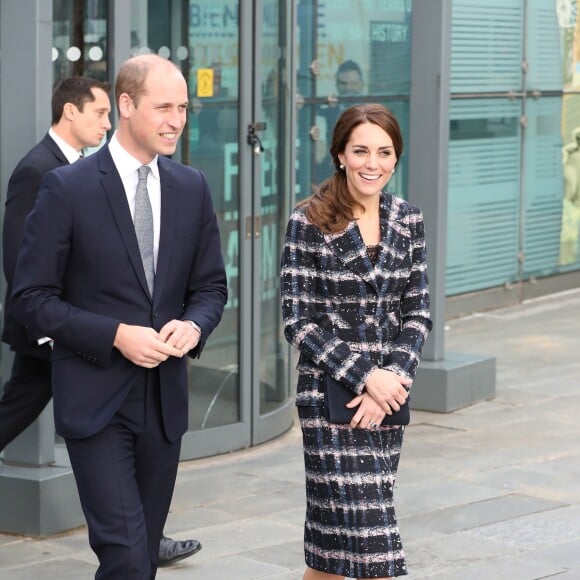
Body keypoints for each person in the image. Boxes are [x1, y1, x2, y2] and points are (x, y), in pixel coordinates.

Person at [10, 55, 227, 578]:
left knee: (145, 555)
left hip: (164, 404)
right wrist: (115, 335)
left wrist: (194, 324)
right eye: (164, 107)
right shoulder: (67, 188)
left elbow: (211, 287)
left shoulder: (191, 187)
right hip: (96, 401)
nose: (177, 119)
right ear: (126, 105)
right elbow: (30, 298)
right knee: (126, 558)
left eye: (183, 107)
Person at [280, 103, 432, 580]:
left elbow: (418, 311)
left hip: (388, 401)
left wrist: (391, 378)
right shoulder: (308, 222)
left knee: (331, 551)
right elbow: (298, 321)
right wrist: (366, 377)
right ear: (340, 155)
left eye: (384, 152)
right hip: (331, 401)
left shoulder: (408, 219)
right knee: (374, 547)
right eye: (361, 150)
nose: (373, 163)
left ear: (396, 157)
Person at [315, 60, 364, 182]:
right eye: (343, 83)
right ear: (337, 85)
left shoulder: (373, 115)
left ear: (361, 85)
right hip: (331, 180)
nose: (348, 88)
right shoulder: (328, 112)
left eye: (353, 83)